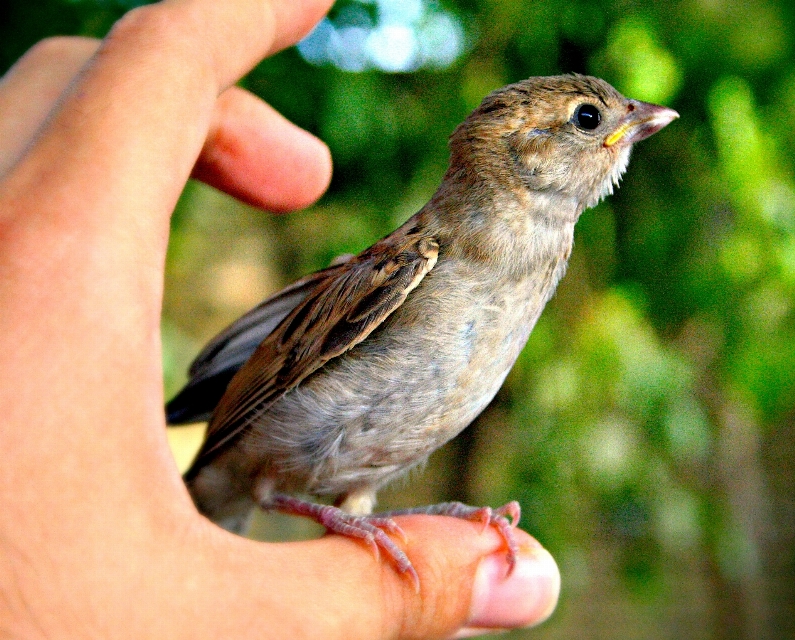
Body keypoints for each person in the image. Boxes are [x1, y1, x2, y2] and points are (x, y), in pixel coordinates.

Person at [0, 0, 560, 636]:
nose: (628, 127)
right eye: (588, 121)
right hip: (248, 462)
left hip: (330, 478)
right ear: (523, 153)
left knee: (366, 514)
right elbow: (275, 365)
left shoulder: (533, 267)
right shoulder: (417, 260)